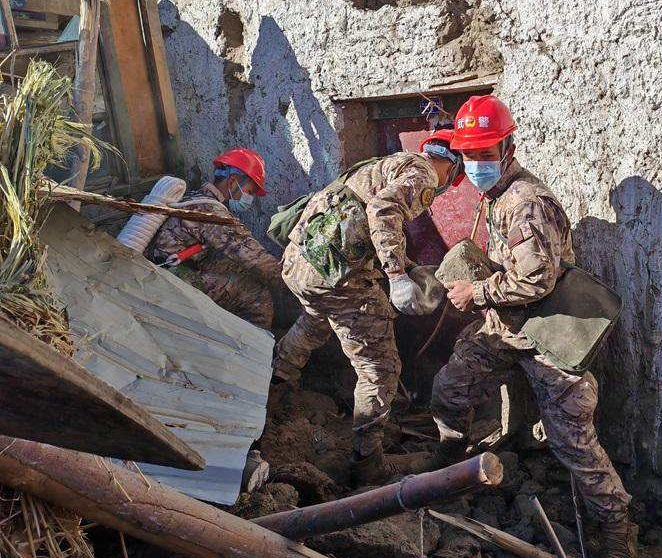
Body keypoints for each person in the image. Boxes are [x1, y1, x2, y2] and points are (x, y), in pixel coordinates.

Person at [427, 94, 638, 558]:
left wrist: (477, 292)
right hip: (507, 327)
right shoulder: (497, 196)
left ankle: (619, 537)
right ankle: (450, 470)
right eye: (469, 154)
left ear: (508, 149)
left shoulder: (526, 202)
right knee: (450, 387)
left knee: (574, 441)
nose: (475, 164)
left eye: (485, 153)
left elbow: (538, 279)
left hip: (546, 332)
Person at [271, 129, 464, 486]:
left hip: (300, 266)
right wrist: (396, 276)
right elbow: (382, 210)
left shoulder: (381, 166)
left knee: (312, 324)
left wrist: (409, 267)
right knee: (380, 368)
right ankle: (366, 464)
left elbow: (359, 221)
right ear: (453, 166)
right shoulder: (423, 173)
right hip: (337, 280)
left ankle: (271, 395)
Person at [150, 148, 280, 329]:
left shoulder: (196, 198)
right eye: (249, 191)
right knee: (257, 295)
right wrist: (294, 280)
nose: (249, 199)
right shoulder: (211, 213)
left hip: (171, 270)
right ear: (233, 182)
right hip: (174, 280)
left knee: (242, 271)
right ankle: (251, 345)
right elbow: (254, 258)